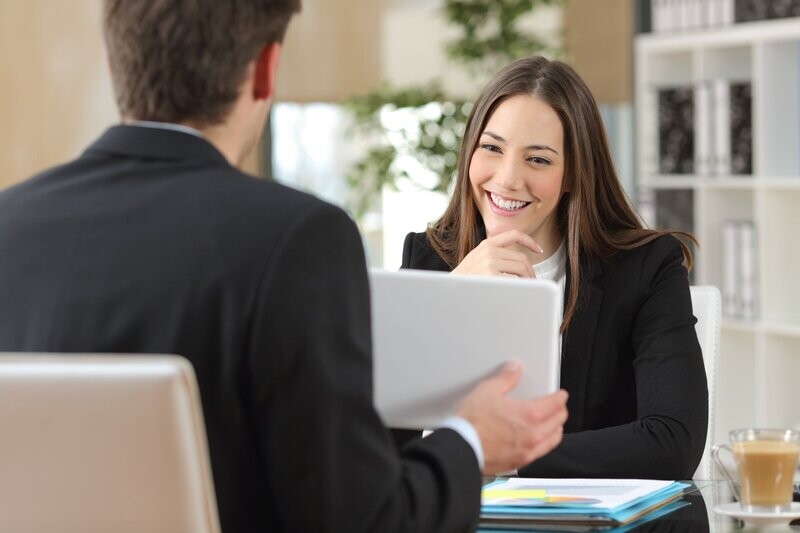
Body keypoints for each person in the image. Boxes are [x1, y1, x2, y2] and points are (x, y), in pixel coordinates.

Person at [0, 2, 569, 532]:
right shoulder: (296, 239)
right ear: (266, 69)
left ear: (113, 63)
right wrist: (470, 441)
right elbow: (360, 518)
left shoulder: (10, 224)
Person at [401, 55, 708, 480]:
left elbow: (673, 442)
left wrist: (494, 454)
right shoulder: (428, 259)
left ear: (573, 175)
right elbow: (372, 442)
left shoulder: (646, 269)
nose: (507, 179)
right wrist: (448, 299)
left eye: (538, 160)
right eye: (491, 148)